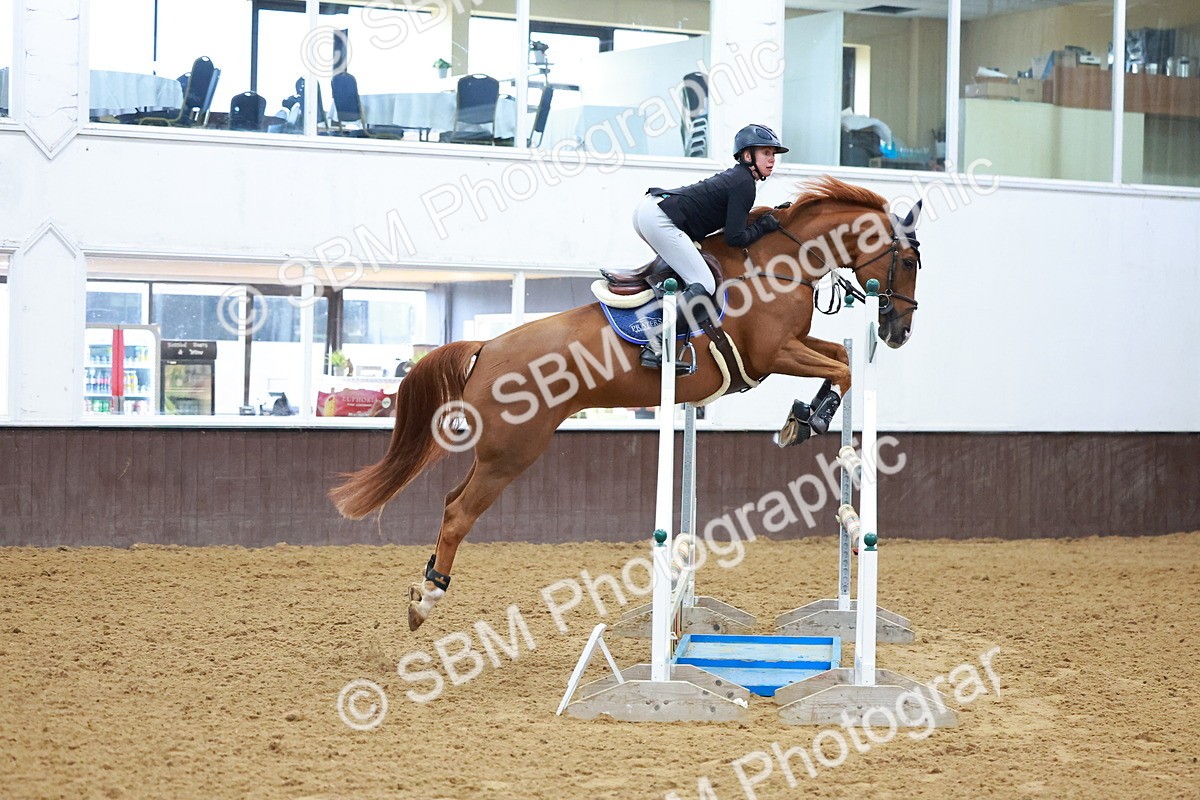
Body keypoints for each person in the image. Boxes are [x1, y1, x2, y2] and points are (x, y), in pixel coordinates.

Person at [632, 124, 789, 369]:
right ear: (748, 156)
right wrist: (764, 227)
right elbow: (734, 238)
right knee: (704, 283)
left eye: (773, 154)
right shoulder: (743, 183)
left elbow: (731, 227)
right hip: (659, 218)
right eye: (766, 153)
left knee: (690, 274)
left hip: (649, 211)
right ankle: (656, 345)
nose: (772, 160)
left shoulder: (739, 178)